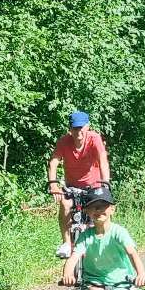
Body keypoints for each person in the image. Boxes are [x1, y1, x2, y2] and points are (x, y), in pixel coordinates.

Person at [48, 111, 111, 259]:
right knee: (65, 204)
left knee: (99, 212)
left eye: (81, 127)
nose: (78, 131)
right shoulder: (64, 141)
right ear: (70, 129)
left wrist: (106, 184)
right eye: (75, 128)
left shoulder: (94, 139)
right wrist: (53, 185)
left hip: (93, 185)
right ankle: (66, 243)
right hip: (72, 186)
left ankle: (105, 242)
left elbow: (103, 161)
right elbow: (54, 162)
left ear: (87, 126)